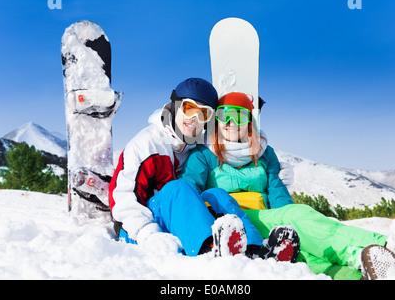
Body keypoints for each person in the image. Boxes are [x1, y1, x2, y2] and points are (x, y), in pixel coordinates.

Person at [178, 91, 395, 280]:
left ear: (250, 121)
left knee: (304, 253)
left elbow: (277, 193)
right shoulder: (204, 154)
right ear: (216, 121)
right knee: (300, 217)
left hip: (267, 217)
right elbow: (189, 192)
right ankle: (385, 245)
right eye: (224, 116)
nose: (231, 123)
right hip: (234, 219)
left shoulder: (263, 154)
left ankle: (368, 268)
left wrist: (289, 222)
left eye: (239, 115)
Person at [108, 78, 295, 260]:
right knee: (179, 187)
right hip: (141, 227)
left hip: (179, 220)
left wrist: (275, 170)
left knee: (217, 194)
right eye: (189, 109)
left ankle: (254, 249)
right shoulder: (148, 144)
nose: (194, 120)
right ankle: (209, 248)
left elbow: (230, 148)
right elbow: (122, 197)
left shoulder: (194, 143)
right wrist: (147, 233)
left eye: (203, 114)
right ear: (174, 106)